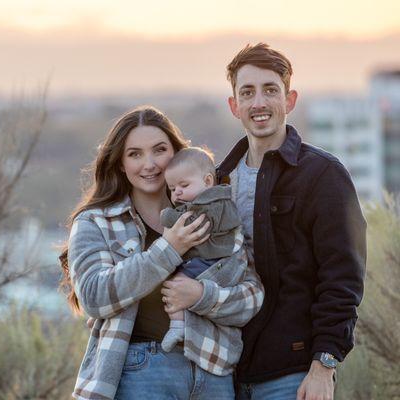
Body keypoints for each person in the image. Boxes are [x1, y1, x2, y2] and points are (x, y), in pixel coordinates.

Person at [59, 105, 264, 400]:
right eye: (135, 154)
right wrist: (169, 250)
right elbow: (94, 296)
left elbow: (252, 294)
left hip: (213, 371)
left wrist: (201, 295)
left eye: (159, 149)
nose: (150, 164)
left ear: (177, 153)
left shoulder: (214, 216)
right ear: (120, 163)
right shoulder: (96, 222)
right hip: (142, 371)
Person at [216, 43, 367, 400]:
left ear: (290, 99)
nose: (259, 103)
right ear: (234, 105)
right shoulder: (219, 181)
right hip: (225, 376)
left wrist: (323, 366)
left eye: (271, 90)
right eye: (247, 92)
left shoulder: (323, 175)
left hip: (293, 376)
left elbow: (342, 278)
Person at [159, 146, 263, 352]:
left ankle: (177, 325)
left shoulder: (208, 204)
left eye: (183, 185)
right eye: (171, 189)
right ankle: (180, 325)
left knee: (174, 283)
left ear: (207, 181)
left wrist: (166, 216)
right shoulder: (221, 200)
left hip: (211, 261)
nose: (177, 192)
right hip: (212, 258)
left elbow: (185, 220)